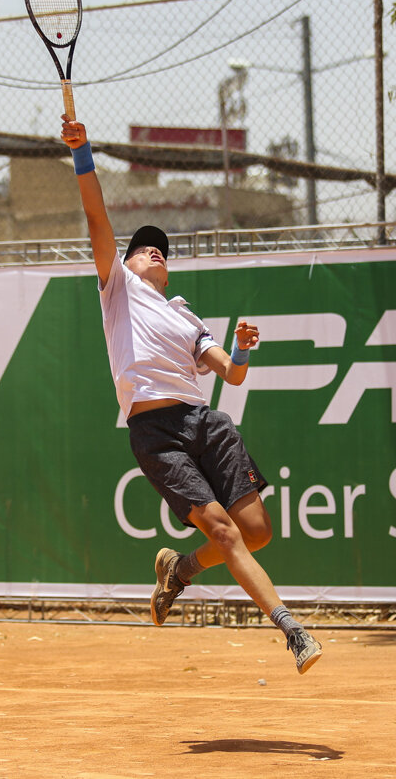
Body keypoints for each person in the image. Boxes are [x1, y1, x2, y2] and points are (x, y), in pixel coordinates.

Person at [61, 115, 322, 674]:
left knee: (257, 532)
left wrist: (243, 348)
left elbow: (230, 375)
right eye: (142, 248)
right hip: (156, 433)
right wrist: (83, 154)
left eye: (161, 250)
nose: (153, 251)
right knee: (226, 532)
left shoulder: (184, 315)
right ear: (124, 263)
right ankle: (290, 629)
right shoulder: (117, 289)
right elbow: (95, 215)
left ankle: (180, 570)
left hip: (207, 423)